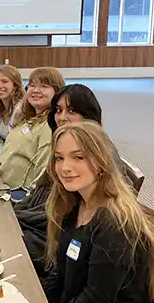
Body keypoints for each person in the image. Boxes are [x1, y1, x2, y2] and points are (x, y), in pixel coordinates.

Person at [43, 121, 153, 303]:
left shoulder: (114, 223)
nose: (65, 167)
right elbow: (61, 276)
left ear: (101, 162)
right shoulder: (76, 206)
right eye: (59, 158)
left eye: (78, 157)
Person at [15, 84, 127, 278]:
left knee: (8, 241)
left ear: (89, 115)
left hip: (66, 237)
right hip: (54, 225)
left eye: (72, 110)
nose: (63, 117)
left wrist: (19, 217)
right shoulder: (62, 144)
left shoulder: (101, 152)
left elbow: (120, 196)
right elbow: (42, 192)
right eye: (58, 110)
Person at [0, 67, 66, 189]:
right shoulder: (25, 118)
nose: (36, 90)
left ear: (57, 92)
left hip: (18, 193)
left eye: (44, 86)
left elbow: (42, 175)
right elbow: (6, 152)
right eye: (32, 85)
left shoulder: (49, 126)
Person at [0, 65, 25, 154]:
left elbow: (17, 144)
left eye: (5, 81)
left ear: (15, 86)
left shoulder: (21, 110)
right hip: (0, 155)